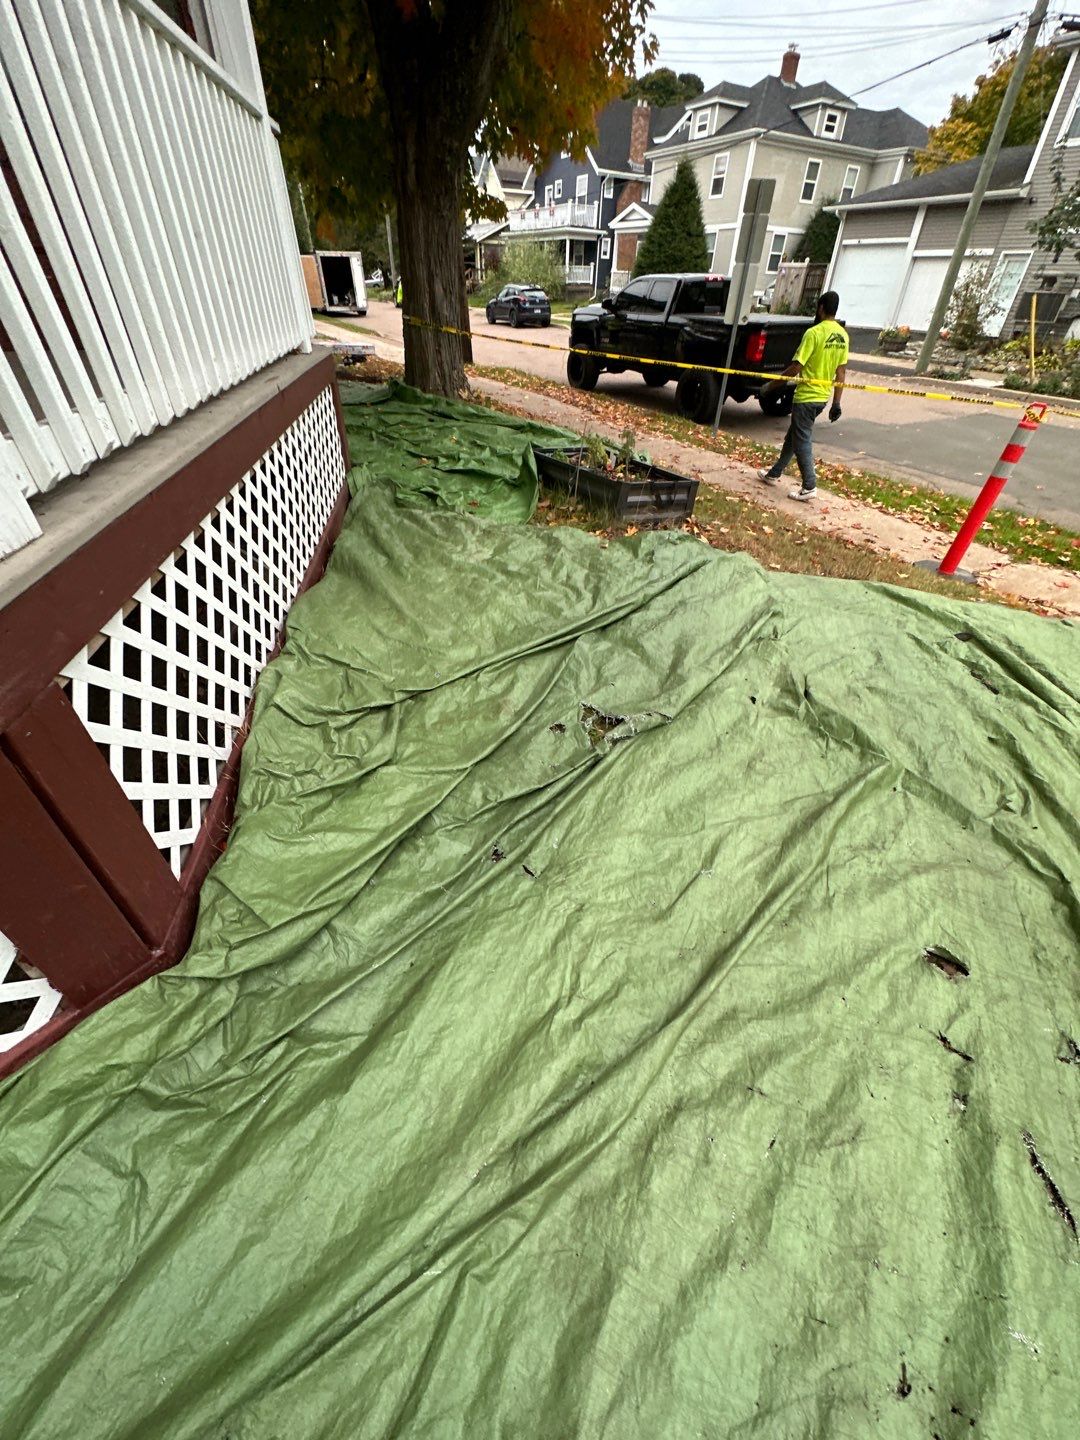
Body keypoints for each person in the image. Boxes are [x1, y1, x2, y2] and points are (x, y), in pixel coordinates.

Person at [757, 290, 848, 501]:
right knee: (794, 436)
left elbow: (797, 366)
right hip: (822, 398)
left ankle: (809, 485)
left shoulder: (814, 333)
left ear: (821, 308)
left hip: (806, 396)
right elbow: (841, 371)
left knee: (802, 439)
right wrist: (837, 403)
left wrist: (772, 385)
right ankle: (774, 473)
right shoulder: (842, 336)